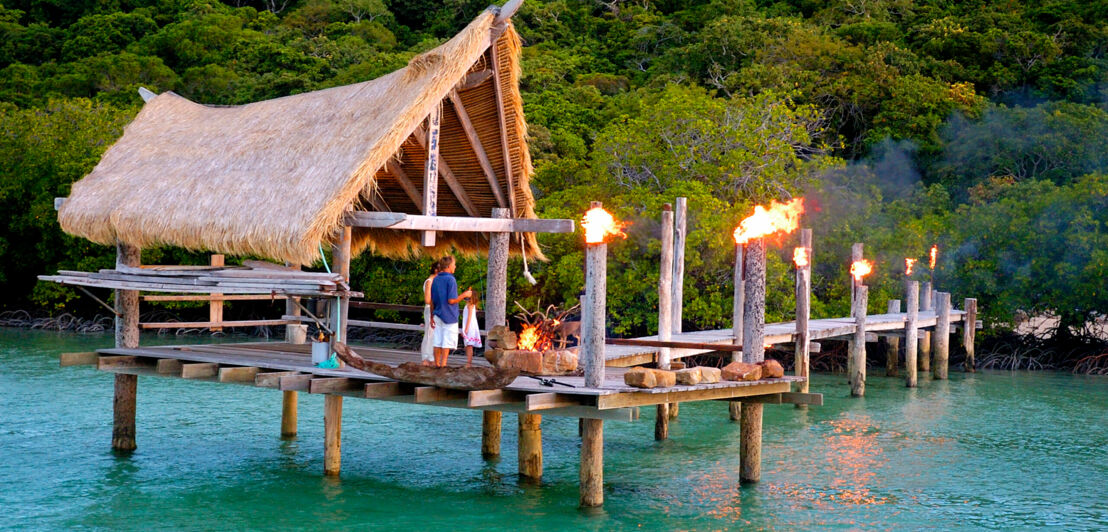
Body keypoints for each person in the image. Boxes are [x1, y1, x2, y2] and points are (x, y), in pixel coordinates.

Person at [429, 255, 472, 367]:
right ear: (448, 266)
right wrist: (464, 295)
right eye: (454, 265)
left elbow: (432, 300)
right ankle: (443, 365)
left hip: (437, 314)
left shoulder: (436, 279)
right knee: (447, 342)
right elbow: (451, 300)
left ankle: (437, 364)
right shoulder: (451, 279)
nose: (455, 266)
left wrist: (431, 316)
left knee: (437, 340)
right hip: (449, 315)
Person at [420, 262, 440, 366]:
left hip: (436, 310)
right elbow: (427, 299)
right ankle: (426, 358)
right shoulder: (430, 281)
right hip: (430, 310)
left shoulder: (436, 281)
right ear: (436, 270)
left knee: (434, 334)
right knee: (429, 333)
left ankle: (432, 357)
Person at [461, 289, 482, 367]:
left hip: (470, 326)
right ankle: (468, 361)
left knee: (469, 345)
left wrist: (466, 328)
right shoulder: (468, 305)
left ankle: (469, 363)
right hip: (467, 325)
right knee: (467, 345)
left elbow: (469, 317)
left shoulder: (471, 305)